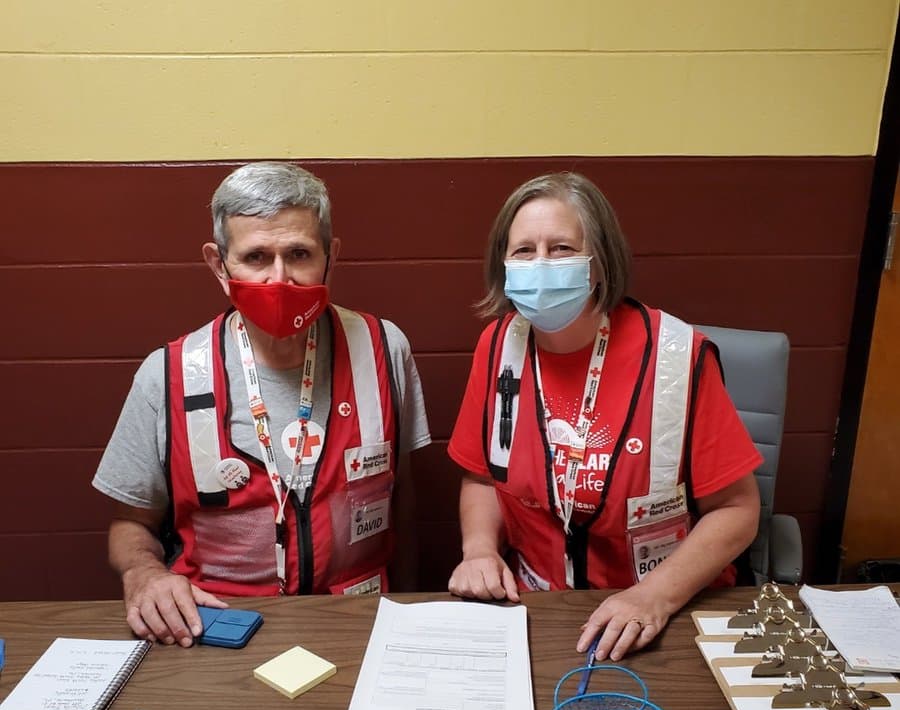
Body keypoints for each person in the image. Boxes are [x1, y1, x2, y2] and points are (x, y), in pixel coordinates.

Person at [93, 162, 431, 647]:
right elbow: (130, 522)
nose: (279, 279)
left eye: (299, 254)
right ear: (219, 265)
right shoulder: (167, 375)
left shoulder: (384, 349)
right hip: (215, 626)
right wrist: (144, 574)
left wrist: (408, 614)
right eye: (256, 257)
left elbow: (404, 498)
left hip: (357, 620)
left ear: (331, 257)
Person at [447, 172, 761, 662]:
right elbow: (482, 478)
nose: (541, 264)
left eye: (562, 248)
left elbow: (738, 510)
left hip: (661, 610)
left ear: (599, 263)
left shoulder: (676, 357)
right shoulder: (498, 347)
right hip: (538, 607)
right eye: (524, 251)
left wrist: (654, 597)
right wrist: (480, 551)